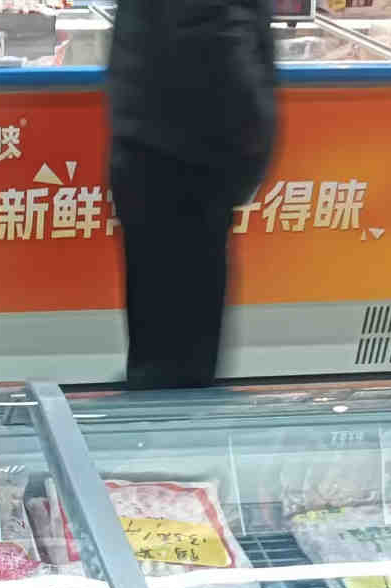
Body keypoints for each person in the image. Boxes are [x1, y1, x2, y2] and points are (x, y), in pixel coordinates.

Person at [107, 0, 278, 389]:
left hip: (148, 144)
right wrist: (253, 149)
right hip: (191, 155)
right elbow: (219, 44)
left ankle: (158, 402)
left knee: (160, 343)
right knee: (180, 356)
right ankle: (171, 413)